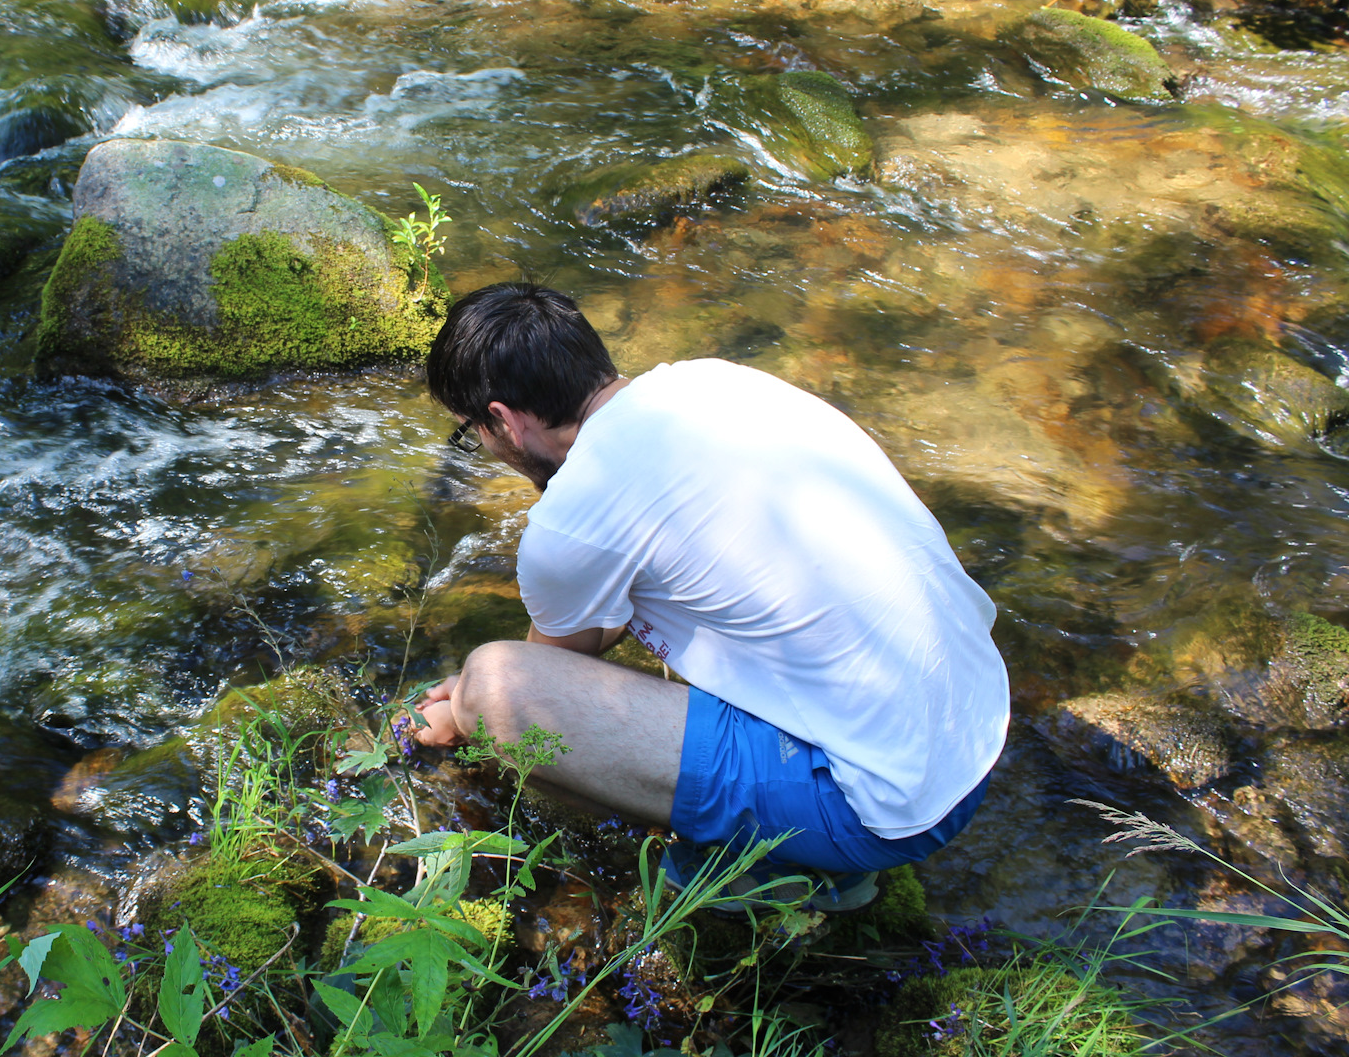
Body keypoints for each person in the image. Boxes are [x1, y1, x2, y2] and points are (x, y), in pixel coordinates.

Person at [410, 283, 1009, 909]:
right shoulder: (713, 381)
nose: (483, 447)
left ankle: (779, 872)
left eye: (470, 431)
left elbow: (548, 677)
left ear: (504, 420)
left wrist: (461, 712)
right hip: (976, 725)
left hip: (879, 807)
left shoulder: (573, 517)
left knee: (494, 683)